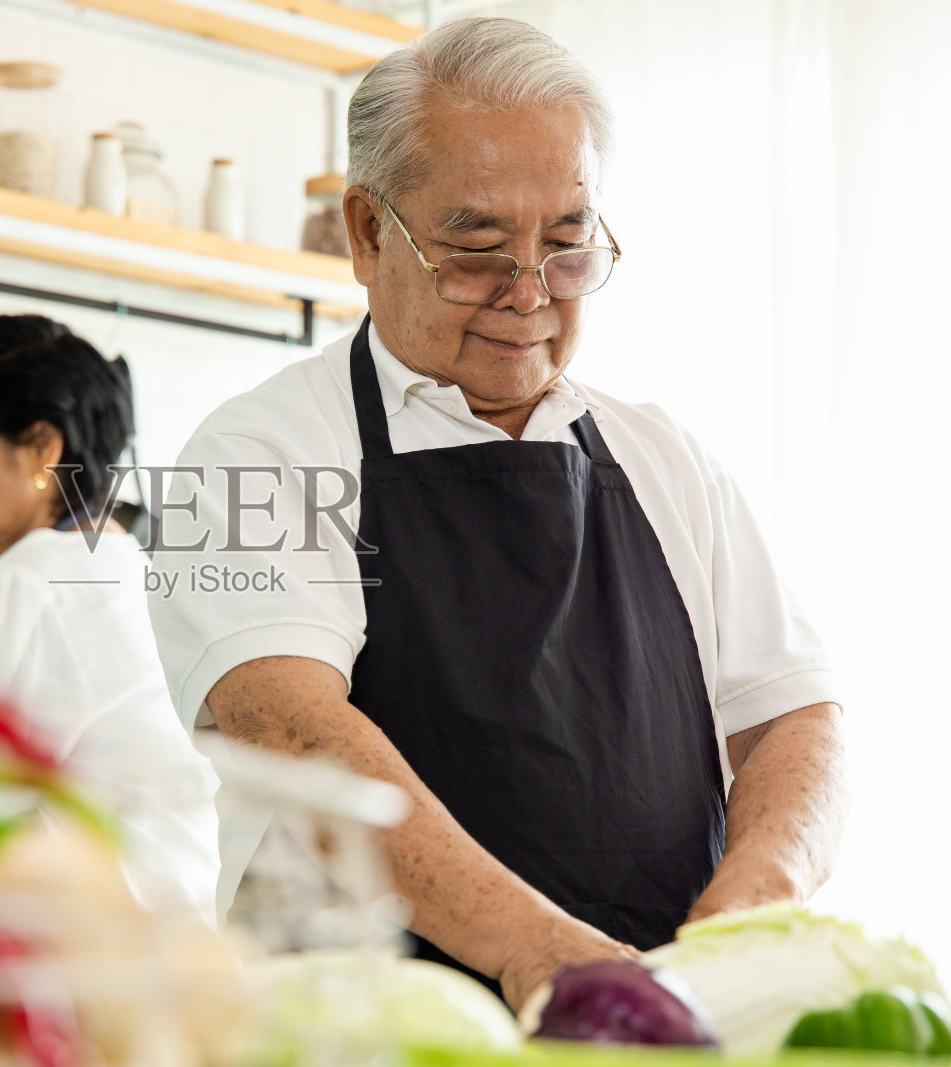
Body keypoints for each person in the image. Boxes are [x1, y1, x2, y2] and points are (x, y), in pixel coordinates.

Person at [146, 17, 848, 1007]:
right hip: (365, 1027)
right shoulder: (252, 453)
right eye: (474, 251)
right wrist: (545, 954)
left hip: (649, 1020)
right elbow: (289, 728)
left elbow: (793, 715)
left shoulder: (666, 458)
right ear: (366, 230)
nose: (528, 295)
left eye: (566, 248)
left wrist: (747, 911)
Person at [0, 313, 220, 924]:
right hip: (163, 939)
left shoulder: (42, 579)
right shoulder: (115, 564)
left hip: (102, 960)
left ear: (42, 448)